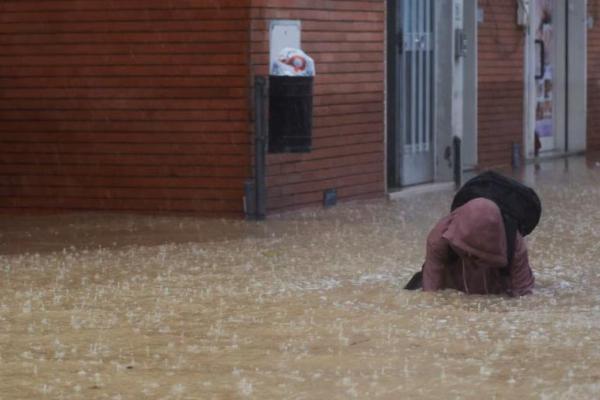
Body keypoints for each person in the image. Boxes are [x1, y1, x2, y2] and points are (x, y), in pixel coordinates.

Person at [420, 197, 534, 296]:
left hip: (497, 288)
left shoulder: (513, 244)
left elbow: (524, 295)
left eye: (477, 255)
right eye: (466, 251)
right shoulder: (440, 238)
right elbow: (431, 294)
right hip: (457, 286)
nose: (470, 257)